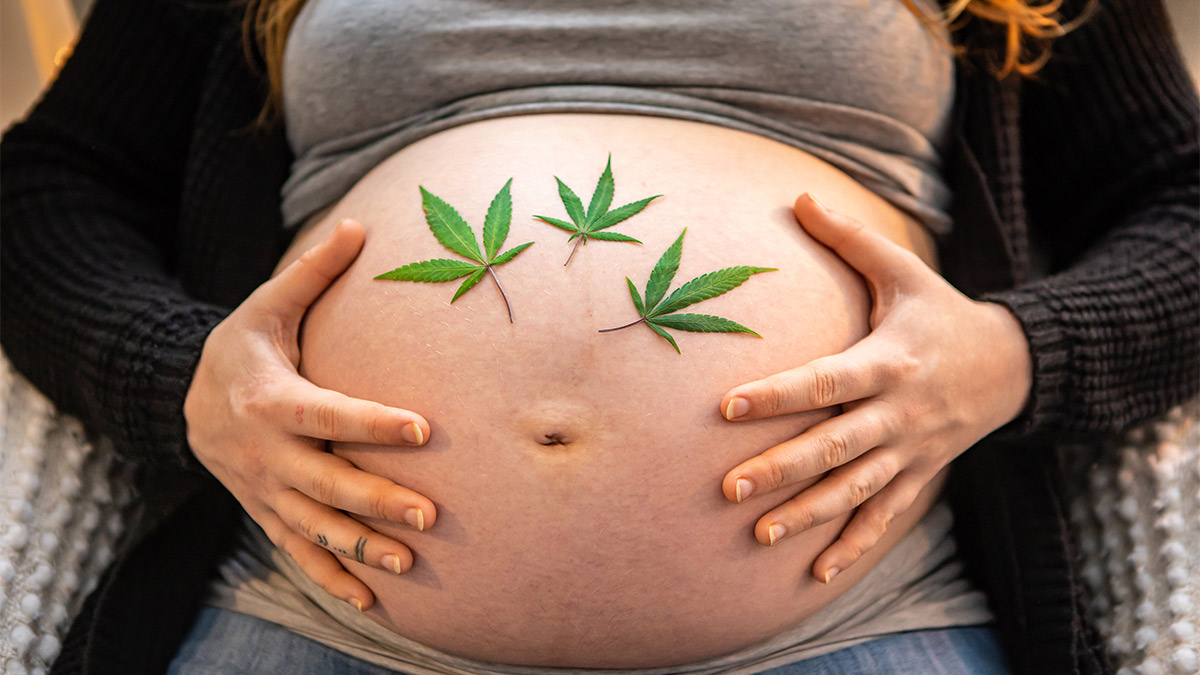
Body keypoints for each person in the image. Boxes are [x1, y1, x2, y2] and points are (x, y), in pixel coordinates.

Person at [0, 0, 1195, 673]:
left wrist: (1022, 354)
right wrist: (173, 373)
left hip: (862, 620)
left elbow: (1182, 202)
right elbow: (51, 188)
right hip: (314, 615)